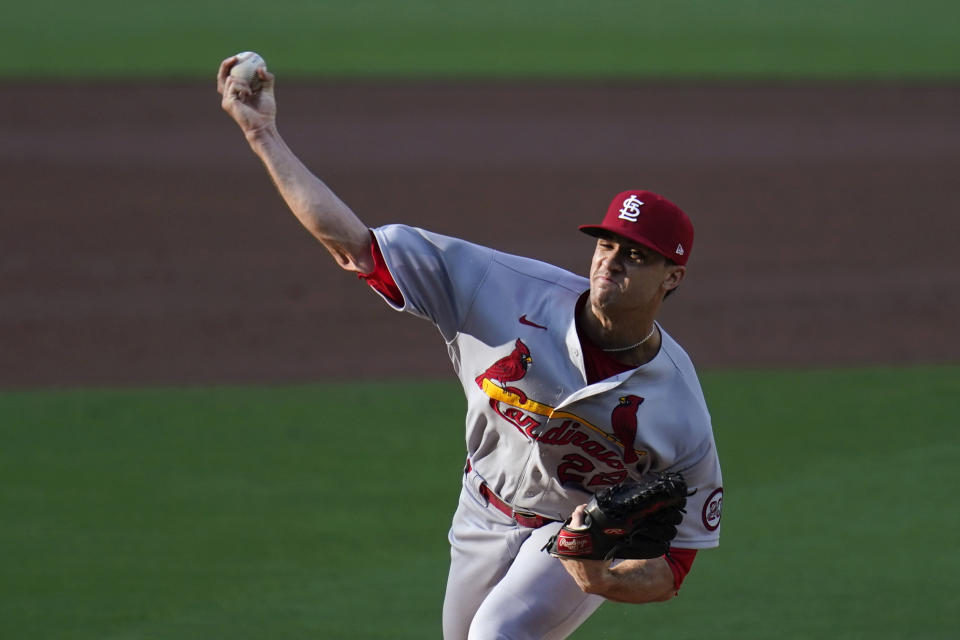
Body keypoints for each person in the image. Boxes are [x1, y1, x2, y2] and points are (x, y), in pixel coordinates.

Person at [217, 57, 723, 640]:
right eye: (608, 244)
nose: (611, 260)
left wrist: (600, 578)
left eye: (636, 254)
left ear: (672, 278)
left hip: (566, 537)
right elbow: (355, 247)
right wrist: (262, 133)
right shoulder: (499, 288)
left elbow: (675, 565)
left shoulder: (679, 408)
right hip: (480, 510)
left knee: (498, 634)